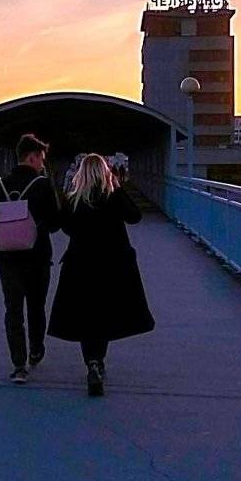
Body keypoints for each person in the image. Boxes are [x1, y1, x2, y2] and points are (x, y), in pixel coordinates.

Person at [47, 153, 155, 397]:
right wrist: (118, 187)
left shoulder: (74, 199)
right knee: (104, 314)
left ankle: (92, 361)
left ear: (81, 174)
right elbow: (135, 217)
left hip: (80, 265)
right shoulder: (113, 197)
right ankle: (99, 360)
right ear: (106, 173)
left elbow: (65, 227)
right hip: (112, 265)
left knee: (86, 315)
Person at [0, 133, 61, 383]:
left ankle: (19, 364)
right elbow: (55, 223)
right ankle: (36, 349)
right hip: (37, 257)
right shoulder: (43, 185)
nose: (42, 164)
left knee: (13, 309)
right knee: (36, 307)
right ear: (32, 157)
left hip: (7, 257)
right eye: (41, 159)